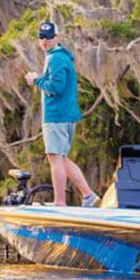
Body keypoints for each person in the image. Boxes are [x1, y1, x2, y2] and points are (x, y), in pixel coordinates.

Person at [25, 22, 99, 207]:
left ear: (57, 37)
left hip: (56, 116)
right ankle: (88, 195)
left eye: (49, 37)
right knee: (61, 158)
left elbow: (55, 87)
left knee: (55, 158)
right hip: (64, 116)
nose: (45, 41)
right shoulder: (60, 57)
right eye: (41, 37)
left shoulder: (56, 58)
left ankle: (60, 202)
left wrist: (36, 80)